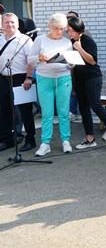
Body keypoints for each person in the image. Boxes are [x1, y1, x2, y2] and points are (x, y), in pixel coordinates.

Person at [67, 16, 106, 150]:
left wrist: (79, 48)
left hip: (92, 77)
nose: (68, 33)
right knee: (83, 107)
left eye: (70, 30)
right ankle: (89, 138)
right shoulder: (70, 42)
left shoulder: (88, 41)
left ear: (77, 29)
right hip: (78, 78)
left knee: (95, 105)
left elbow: (92, 61)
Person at [28, 13, 74, 156]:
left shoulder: (67, 42)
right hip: (44, 78)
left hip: (63, 79)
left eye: (61, 29)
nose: (58, 32)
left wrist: (71, 62)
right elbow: (30, 59)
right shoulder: (40, 40)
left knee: (63, 111)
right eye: (55, 28)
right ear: (49, 26)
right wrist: (39, 58)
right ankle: (45, 143)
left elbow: (72, 63)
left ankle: (66, 141)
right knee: (47, 113)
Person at [0, 13, 36, 152]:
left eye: (12, 22)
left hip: (21, 78)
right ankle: (7, 140)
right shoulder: (0, 39)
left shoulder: (25, 40)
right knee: (3, 110)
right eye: (7, 22)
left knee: (24, 111)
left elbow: (31, 61)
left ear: (17, 24)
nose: (10, 25)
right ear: (2, 24)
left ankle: (30, 139)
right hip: (3, 78)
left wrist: (29, 77)